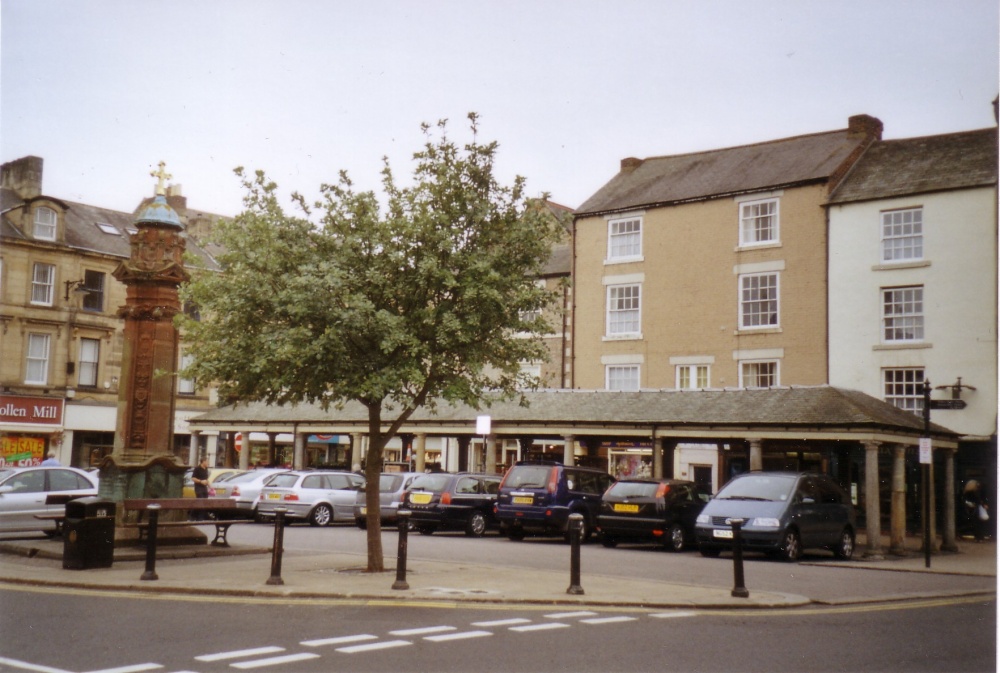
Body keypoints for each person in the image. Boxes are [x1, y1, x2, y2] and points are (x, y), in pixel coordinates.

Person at [191, 456, 210, 521]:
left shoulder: (206, 469)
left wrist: (210, 486)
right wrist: (200, 481)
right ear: (203, 461)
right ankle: (199, 517)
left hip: (204, 488)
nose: (208, 463)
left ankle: (195, 516)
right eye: (207, 461)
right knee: (200, 501)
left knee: (205, 501)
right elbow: (193, 478)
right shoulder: (197, 468)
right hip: (198, 488)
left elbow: (206, 479)